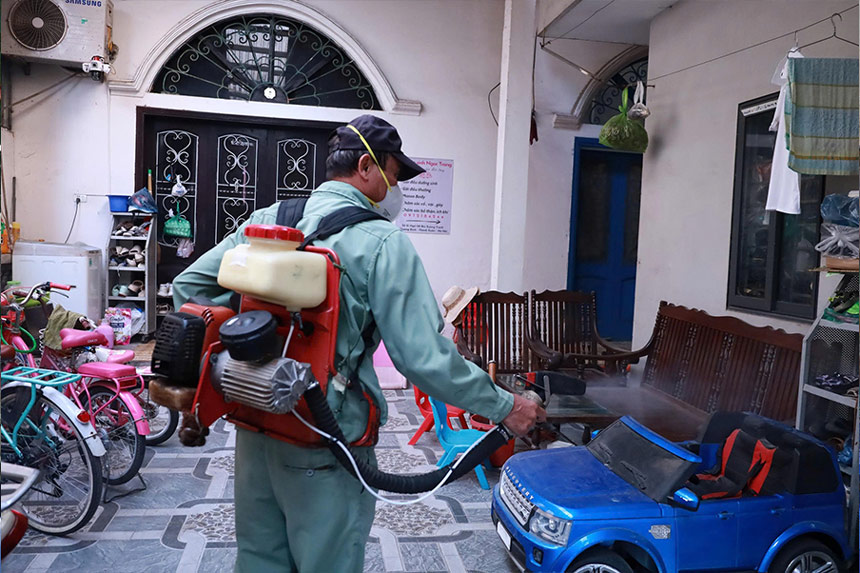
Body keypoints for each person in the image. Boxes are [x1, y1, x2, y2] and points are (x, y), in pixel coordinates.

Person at [172, 114, 545, 573]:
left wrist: (246, 361)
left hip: (256, 426)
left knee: (260, 561)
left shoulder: (269, 220)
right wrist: (505, 405)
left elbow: (190, 286)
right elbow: (423, 360)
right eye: (392, 171)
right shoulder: (383, 241)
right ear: (366, 167)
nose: (395, 185)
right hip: (326, 438)